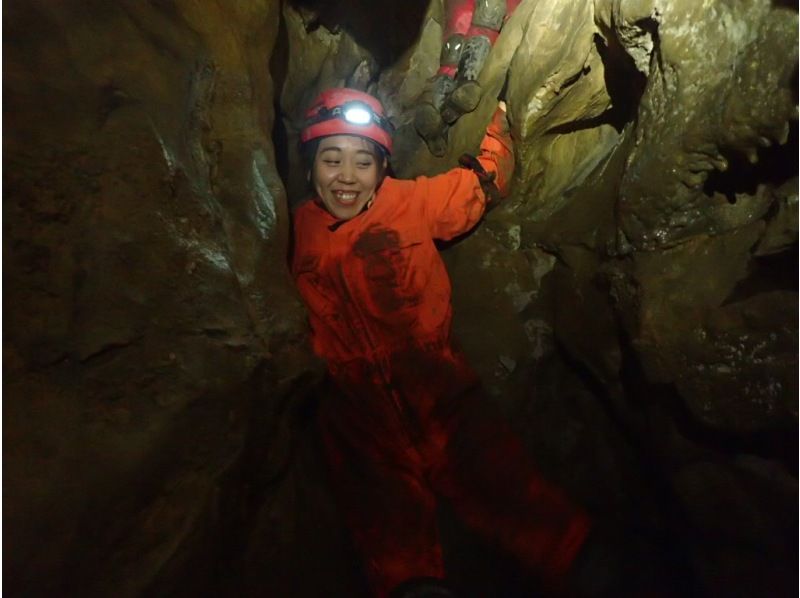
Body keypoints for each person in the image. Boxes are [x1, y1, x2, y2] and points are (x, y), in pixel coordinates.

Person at [291, 87, 592, 597]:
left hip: (438, 388)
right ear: (309, 167)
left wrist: (503, 117)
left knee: (508, 487)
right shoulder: (293, 231)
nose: (346, 176)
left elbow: (475, 188)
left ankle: (589, 569)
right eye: (331, 159)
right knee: (390, 535)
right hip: (356, 413)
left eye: (363, 161)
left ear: (383, 168)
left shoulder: (408, 202)